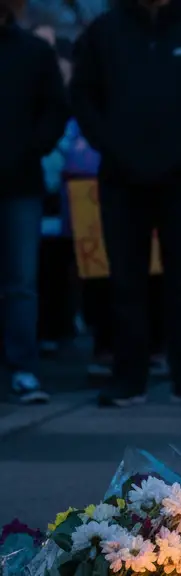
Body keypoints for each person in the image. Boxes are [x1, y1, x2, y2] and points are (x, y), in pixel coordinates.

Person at [69, 0, 181, 407]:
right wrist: (111, 146)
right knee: (125, 281)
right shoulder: (104, 32)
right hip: (121, 178)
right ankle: (129, 377)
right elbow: (83, 97)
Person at [0, 1, 69, 404]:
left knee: (21, 283)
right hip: (23, 178)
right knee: (21, 284)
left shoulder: (32, 52)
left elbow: (55, 109)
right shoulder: (33, 51)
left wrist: (30, 149)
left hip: (20, 182)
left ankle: (24, 367)